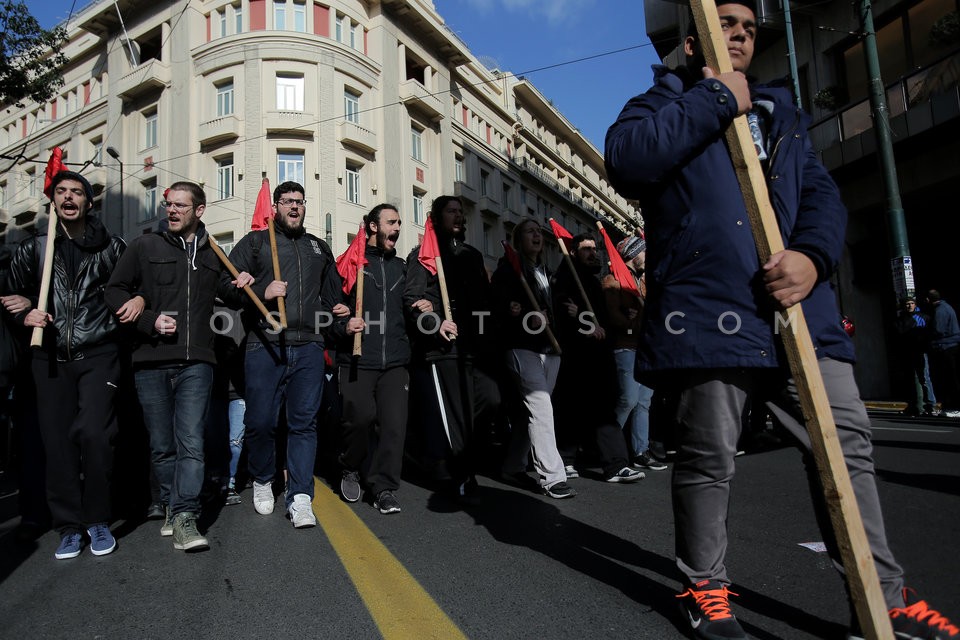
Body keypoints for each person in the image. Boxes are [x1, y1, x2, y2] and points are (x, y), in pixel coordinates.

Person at [605, 2, 958, 638]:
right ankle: (705, 588)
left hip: (799, 313)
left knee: (846, 447)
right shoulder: (661, 102)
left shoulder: (784, 114)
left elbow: (822, 198)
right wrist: (715, 98)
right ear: (694, 43)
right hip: (713, 312)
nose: (740, 34)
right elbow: (628, 160)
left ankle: (881, 596)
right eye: (727, 25)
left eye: (748, 28)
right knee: (710, 454)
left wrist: (812, 258)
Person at [106, 180, 250, 552]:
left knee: (191, 441)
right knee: (161, 444)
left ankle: (185, 515)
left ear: (199, 211)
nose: (171, 210)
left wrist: (250, 283)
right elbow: (114, 290)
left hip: (198, 361)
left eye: (180, 206)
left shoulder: (214, 252)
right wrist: (147, 319)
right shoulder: (143, 246)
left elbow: (232, 292)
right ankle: (171, 503)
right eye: (168, 204)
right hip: (150, 359)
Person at [4, 171, 126, 560]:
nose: (69, 197)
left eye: (77, 192)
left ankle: (98, 520)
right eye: (61, 192)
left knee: (93, 434)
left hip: (97, 352)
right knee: (56, 445)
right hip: (49, 357)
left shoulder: (111, 247)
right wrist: (24, 315)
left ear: (89, 203)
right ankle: (69, 527)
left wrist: (136, 301)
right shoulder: (34, 248)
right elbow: (11, 295)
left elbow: (130, 288)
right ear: (53, 201)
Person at [223, 181, 342, 528]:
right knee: (260, 422)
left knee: (304, 424)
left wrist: (340, 313)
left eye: (300, 202)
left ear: (305, 207)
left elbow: (333, 298)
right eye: (287, 201)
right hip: (264, 343)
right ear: (275, 206)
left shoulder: (319, 248)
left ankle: (300, 496)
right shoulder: (257, 242)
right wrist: (261, 289)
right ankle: (263, 479)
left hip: (309, 346)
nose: (294, 207)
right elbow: (225, 287)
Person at [403, 195, 501, 504]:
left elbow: (484, 303)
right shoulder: (423, 255)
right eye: (451, 211)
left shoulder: (472, 255)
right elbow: (412, 301)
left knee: (491, 398)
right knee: (455, 417)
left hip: (474, 348)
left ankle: (453, 460)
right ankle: (462, 477)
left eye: (461, 212)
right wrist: (434, 322)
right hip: (441, 348)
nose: (459, 216)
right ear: (436, 217)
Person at [331, 204, 411, 514]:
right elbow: (329, 310)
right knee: (359, 419)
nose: (398, 228)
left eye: (400, 222)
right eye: (392, 222)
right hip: (357, 359)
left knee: (393, 426)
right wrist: (343, 324)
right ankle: (350, 465)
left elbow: (413, 306)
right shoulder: (349, 264)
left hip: (395, 361)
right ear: (374, 227)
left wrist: (423, 308)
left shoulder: (403, 268)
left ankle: (383, 488)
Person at [491, 218, 573, 499]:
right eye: (530, 231)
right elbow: (499, 304)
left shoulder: (550, 275)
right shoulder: (508, 271)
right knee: (541, 408)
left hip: (551, 350)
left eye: (539, 231)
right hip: (522, 346)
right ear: (518, 240)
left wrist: (569, 310)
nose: (537, 235)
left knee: (535, 412)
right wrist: (517, 311)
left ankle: (513, 465)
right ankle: (553, 476)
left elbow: (559, 306)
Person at [551, 233, 643, 484]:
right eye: (586, 249)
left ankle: (616, 465)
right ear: (573, 252)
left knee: (604, 408)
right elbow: (562, 308)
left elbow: (602, 313)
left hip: (599, 354)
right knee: (572, 408)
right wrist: (584, 322)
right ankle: (566, 459)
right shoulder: (565, 277)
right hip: (576, 355)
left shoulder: (592, 281)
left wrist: (626, 313)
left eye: (594, 249)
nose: (593, 253)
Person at [601, 234, 667, 472]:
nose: (647, 256)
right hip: (625, 346)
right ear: (632, 254)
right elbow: (614, 318)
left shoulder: (642, 281)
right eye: (644, 251)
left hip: (645, 347)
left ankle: (640, 451)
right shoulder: (612, 280)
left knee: (643, 402)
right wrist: (633, 319)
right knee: (628, 399)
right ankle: (609, 448)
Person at [894, 297, 937, 417]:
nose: (910, 306)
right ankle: (915, 405)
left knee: (924, 378)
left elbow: (930, 333)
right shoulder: (901, 319)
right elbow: (898, 333)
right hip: (908, 352)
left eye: (912, 303)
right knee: (911, 380)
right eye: (907, 304)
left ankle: (930, 405)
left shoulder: (923, 317)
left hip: (921, 351)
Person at [925, 290, 960, 419]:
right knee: (951, 378)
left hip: (945, 346)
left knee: (949, 379)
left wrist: (928, 334)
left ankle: (954, 407)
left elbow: (938, 330)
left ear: (929, 299)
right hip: (950, 345)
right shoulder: (947, 307)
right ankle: (952, 406)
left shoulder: (940, 311)